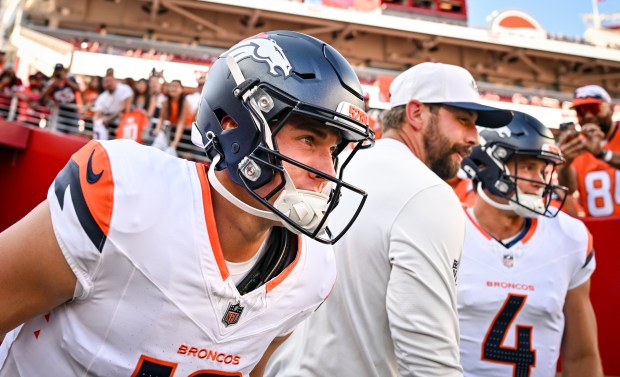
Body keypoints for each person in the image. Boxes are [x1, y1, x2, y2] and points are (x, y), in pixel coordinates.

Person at [0, 30, 374, 376]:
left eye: (334, 150)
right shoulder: (127, 197)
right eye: (309, 139)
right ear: (234, 124)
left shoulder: (312, 274)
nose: (327, 170)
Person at [266, 62, 513, 377]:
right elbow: (429, 363)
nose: (474, 138)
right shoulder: (428, 192)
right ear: (416, 113)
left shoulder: (328, 167)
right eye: (463, 120)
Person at [457, 111, 603, 376]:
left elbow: (582, 356)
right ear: (487, 165)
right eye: (526, 166)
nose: (539, 181)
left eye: (542, 169)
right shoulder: (447, 229)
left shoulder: (569, 238)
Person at [557, 85, 620, 217]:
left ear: (611, 109)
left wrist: (602, 154)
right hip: (600, 230)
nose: (588, 116)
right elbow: (568, 189)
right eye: (581, 110)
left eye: (594, 108)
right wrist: (565, 165)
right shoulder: (577, 145)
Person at [92, 75, 133, 139]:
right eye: (106, 82)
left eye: (110, 81)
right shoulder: (102, 97)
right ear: (103, 84)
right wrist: (98, 121)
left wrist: (108, 119)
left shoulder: (123, 89)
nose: (109, 83)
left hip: (122, 123)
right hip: (108, 126)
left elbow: (124, 108)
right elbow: (97, 113)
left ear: (115, 81)